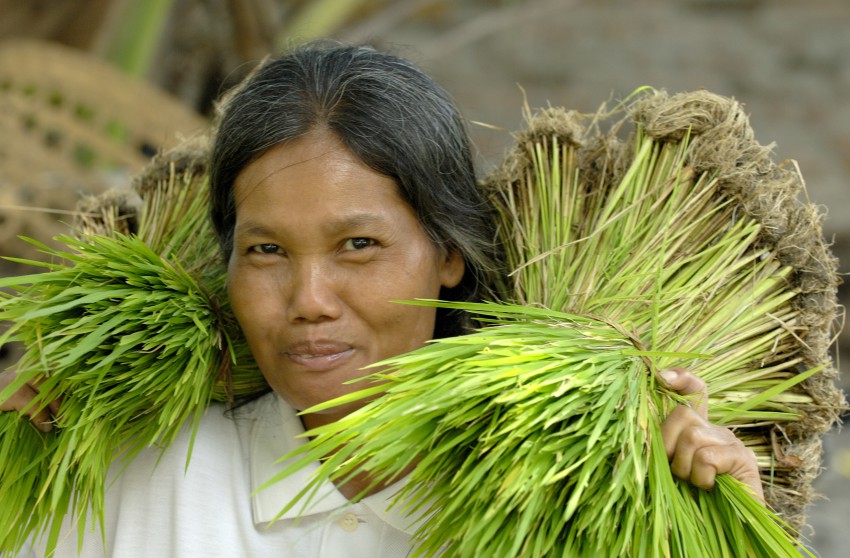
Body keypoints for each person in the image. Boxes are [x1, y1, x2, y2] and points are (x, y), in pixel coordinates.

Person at [0, 40, 762, 557]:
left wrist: (724, 517)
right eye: (266, 250)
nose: (308, 300)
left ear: (449, 254)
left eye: (357, 246)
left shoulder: (568, 501)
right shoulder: (137, 474)